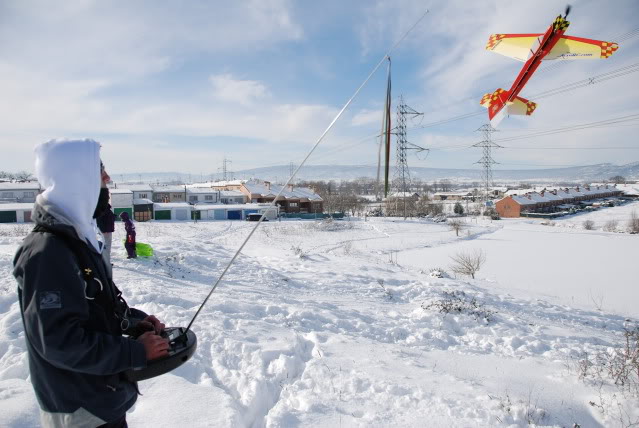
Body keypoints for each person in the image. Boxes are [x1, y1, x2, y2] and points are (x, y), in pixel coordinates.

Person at [13, 139, 169, 428]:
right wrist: (134, 352)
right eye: (100, 171)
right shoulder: (47, 251)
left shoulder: (77, 238)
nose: (108, 179)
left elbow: (93, 305)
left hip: (99, 398)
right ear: (77, 178)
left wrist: (135, 322)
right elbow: (59, 342)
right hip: (80, 410)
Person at [95, 164, 115, 265]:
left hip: (106, 230)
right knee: (106, 246)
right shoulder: (102, 208)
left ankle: (106, 262)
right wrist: (104, 230)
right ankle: (105, 262)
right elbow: (100, 218)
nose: (107, 178)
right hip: (105, 231)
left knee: (106, 246)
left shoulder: (105, 208)